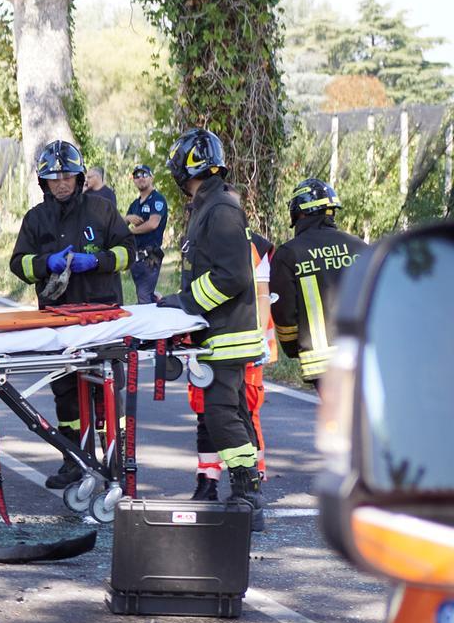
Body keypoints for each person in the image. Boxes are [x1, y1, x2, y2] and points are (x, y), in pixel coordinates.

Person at [157, 127, 267, 529]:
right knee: (230, 412)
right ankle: (245, 489)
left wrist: (186, 303)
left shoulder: (218, 208)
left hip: (226, 334)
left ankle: (247, 492)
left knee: (222, 415)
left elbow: (231, 276)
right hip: (218, 332)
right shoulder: (211, 205)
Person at [9, 141, 133, 489]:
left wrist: (97, 261)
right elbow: (18, 263)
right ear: (43, 183)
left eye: (67, 177)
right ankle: (73, 460)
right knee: (65, 392)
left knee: (106, 391)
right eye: (53, 178)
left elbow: (129, 252)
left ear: (79, 178)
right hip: (59, 322)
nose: (61, 183)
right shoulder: (36, 219)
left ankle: (114, 461)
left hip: (102, 318)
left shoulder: (103, 211)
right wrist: (44, 263)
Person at [187, 227, 275, 499]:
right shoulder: (197, 242)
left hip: (245, 343)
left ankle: (252, 481)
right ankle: (208, 480)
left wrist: (259, 339)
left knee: (245, 411)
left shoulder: (254, 247)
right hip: (209, 338)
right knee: (206, 411)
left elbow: (262, 294)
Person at [270, 178, 367, 393]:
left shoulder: (289, 254)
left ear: (299, 213)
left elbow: (283, 311)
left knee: (344, 421)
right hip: (364, 353)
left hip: (323, 363)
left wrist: (292, 347)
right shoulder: (360, 247)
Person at [124, 164, 168, 304]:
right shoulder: (134, 204)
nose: (140, 178)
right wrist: (127, 218)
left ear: (151, 177)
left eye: (144, 174)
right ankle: (158, 301)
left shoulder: (157, 199)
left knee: (144, 297)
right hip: (136, 257)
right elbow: (120, 226)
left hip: (151, 256)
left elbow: (153, 224)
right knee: (144, 295)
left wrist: (131, 231)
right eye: (137, 175)